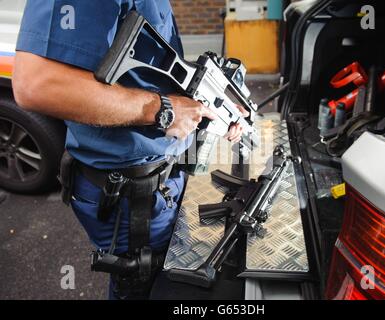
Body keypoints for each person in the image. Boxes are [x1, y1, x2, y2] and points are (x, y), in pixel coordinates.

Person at [13, 0, 246, 299]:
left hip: (154, 184)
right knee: (139, 285)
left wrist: (213, 108)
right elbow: (37, 85)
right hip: (130, 196)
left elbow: (144, 78)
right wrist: (165, 110)